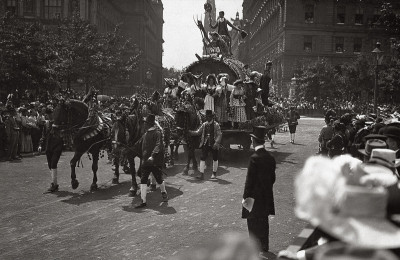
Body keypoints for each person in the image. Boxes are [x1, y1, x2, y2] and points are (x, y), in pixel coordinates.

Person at [242, 126, 276, 254]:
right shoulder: (270, 158)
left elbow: (249, 181)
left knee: (252, 222)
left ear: (254, 141)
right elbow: (272, 178)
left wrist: (245, 197)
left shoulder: (254, 158)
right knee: (263, 221)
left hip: (253, 196)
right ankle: (264, 246)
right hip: (266, 195)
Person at [134, 114, 168, 208]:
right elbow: (138, 144)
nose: (144, 125)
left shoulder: (157, 133)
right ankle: (143, 201)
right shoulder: (145, 135)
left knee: (159, 179)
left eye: (146, 124)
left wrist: (152, 156)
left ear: (149, 124)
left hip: (155, 162)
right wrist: (128, 149)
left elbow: (158, 145)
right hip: (145, 162)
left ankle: (164, 192)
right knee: (143, 180)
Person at [189, 110, 222, 180]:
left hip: (214, 144)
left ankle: (214, 173)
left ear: (212, 117)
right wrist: (190, 132)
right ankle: (201, 175)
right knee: (202, 158)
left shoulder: (216, 125)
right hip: (206, 143)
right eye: (207, 116)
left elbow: (219, 134)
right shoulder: (204, 124)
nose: (208, 118)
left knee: (215, 158)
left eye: (209, 116)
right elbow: (198, 132)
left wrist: (216, 143)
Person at [38, 107, 64, 193]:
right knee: (50, 165)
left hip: (57, 146)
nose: (49, 115)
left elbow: (64, 133)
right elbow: (43, 135)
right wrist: (40, 145)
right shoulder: (46, 124)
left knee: (53, 163)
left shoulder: (59, 123)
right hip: (48, 147)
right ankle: (54, 183)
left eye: (50, 113)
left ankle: (54, 184)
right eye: (47, 114)